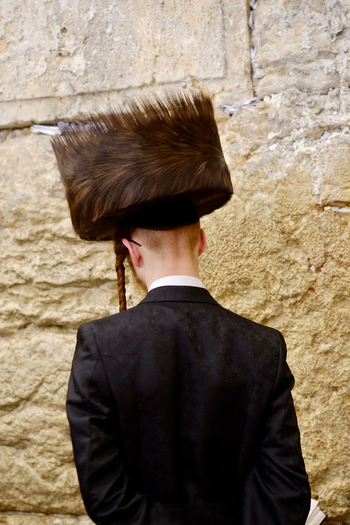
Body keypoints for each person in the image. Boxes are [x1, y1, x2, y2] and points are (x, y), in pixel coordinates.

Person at [52, 91, 311, 525]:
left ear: (132, 253)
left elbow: (107, 499)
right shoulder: (265, 348)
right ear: (203, 243)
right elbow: (285, 493)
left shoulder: (99, 344)